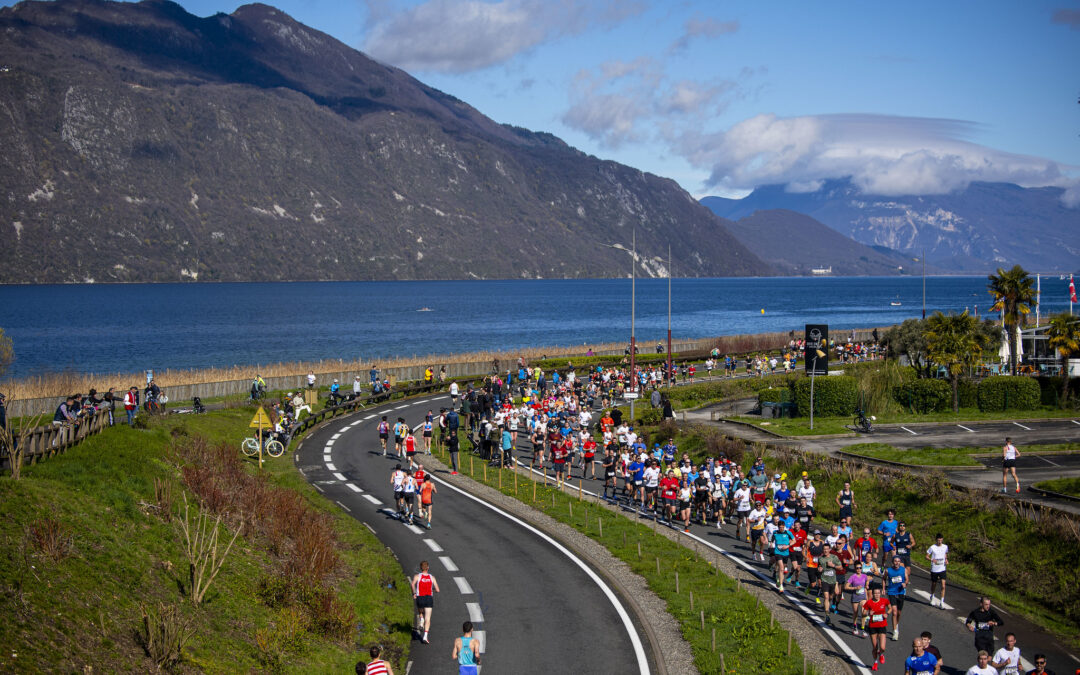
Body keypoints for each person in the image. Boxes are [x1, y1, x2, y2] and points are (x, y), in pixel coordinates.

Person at [411, 561, 440, 644]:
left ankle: (421, 618)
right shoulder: (432, 577)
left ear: (420, 568)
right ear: (428, 568)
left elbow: (413, 584)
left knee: (420, 610)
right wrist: (432, 589)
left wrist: (414, 593)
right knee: (428, 618)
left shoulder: (417, 576)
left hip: (420, 597)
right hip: (428, 598)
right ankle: (425, 636)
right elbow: (438, 590)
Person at [862, 586, 890, 670]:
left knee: (882, 647)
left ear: (880, 593)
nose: (877, 595)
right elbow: (863, 613)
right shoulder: (869, 602)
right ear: (872, 594)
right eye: (875, 593)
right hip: (873, 627)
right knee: (874, 647)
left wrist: (887, 614)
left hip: (882, 626)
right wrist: (868, 613)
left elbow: (890, 608)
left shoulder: (884, 601)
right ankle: (875, 662)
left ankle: (881, 654)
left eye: (878, 593)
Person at [884, 556, 908, 641]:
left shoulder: (904, 569)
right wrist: (883, 589)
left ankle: (896, 624)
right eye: (895, 561)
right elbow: (884, 579)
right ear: (892, 562)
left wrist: (905, 583)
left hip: (900, 592)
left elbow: (907, 579)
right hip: (891, 592)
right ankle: (895, 631)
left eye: (898, 561)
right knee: (894, 612)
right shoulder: (888, 570)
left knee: (899, 613)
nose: (897, 562)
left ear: (900, 562)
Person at [926, 533, 949, 608]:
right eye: (938, 540)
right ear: (936, 540)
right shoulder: (932, 547)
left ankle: (942, 602)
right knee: (934, 584)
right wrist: (932, 560)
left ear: (942, 539)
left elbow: (945, 554)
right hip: (934, 569)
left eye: (941, 540)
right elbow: (926, 556)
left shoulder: (945, 546)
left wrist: (946, 560)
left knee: (943, 585)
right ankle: (932, 596)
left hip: (942, 568)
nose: (939, 541)